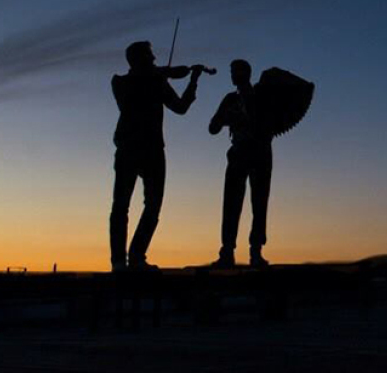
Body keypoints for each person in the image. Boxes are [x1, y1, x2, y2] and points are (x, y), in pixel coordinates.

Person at [109, 41, 205, 272]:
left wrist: (192, 81)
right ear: (138, 59)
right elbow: (134, 92)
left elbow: (180, 107)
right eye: (150, 56)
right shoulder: (120, 81)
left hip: (153, 150)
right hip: (129, 148)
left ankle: (136, 257)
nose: (154, 60)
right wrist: (165, 73)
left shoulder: (156, 80)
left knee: (153, 206)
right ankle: (119, 262)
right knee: (121, 206)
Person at [209, 59, 273, 268]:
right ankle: (227, 251)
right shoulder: (230, 99)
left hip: (261, 154)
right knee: (231, 204)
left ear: (247, 73)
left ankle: (256, 251)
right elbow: (212, 127)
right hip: (238, 154)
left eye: (237, 71)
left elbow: (268, 124)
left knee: (259, 203)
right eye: (232, 71)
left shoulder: (262, 97)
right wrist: (226, 118)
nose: (233, 75)